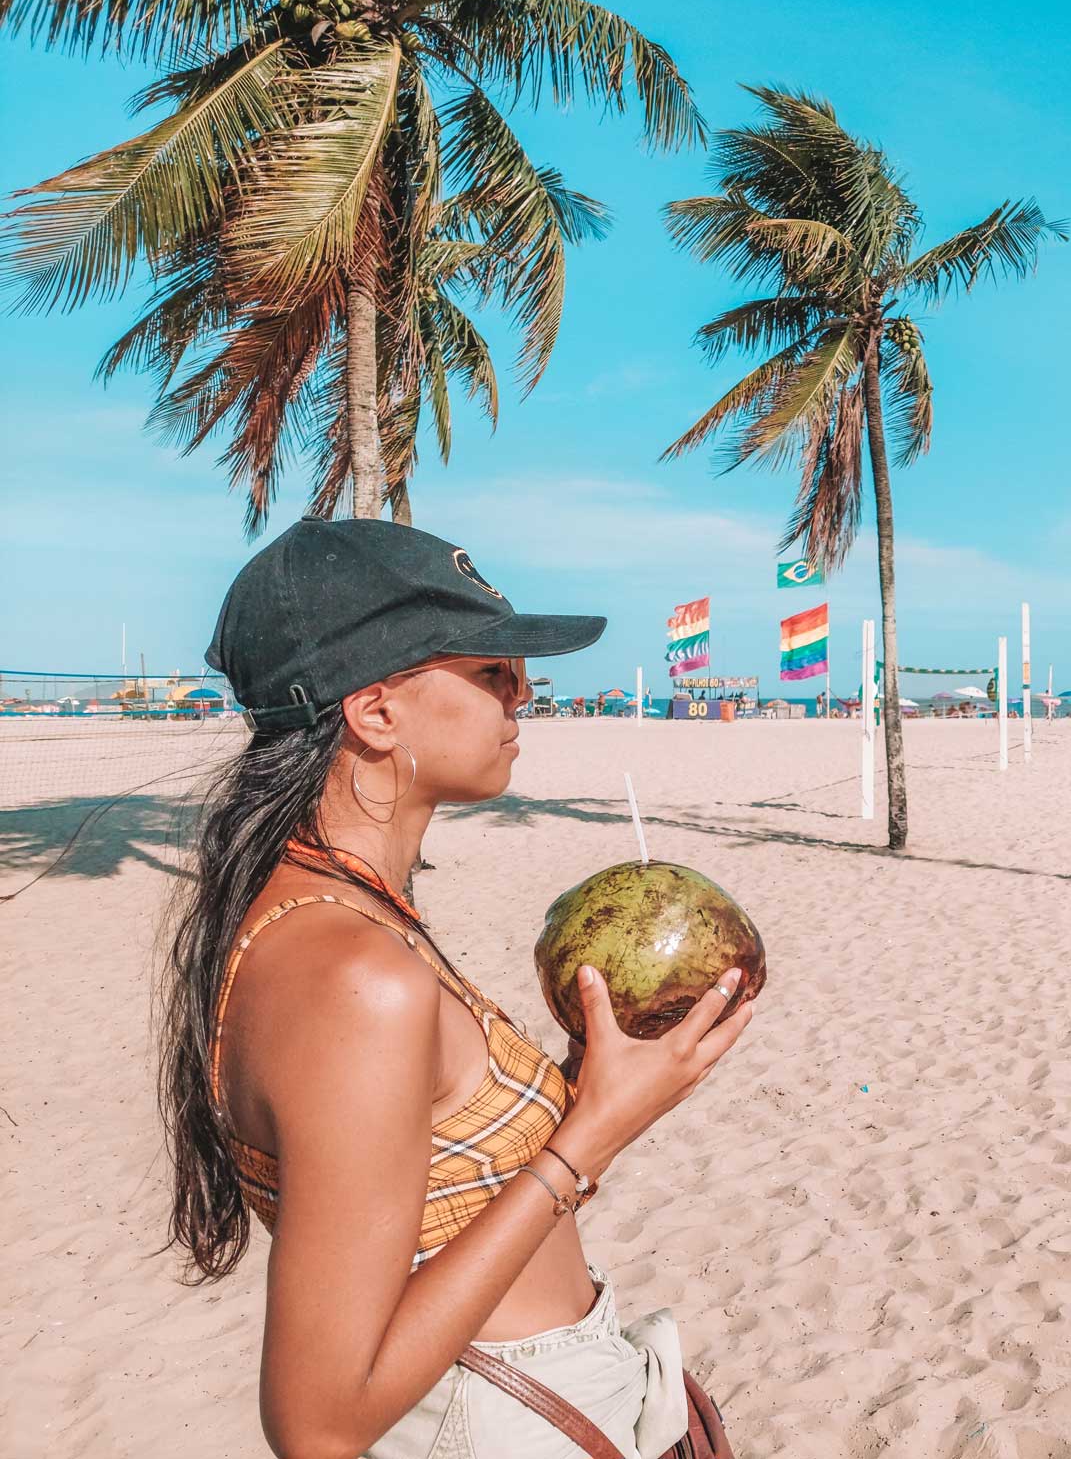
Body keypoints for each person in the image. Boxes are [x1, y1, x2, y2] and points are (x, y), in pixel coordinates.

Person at [158, 518, 752, 1459]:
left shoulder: (343, 909)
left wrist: (589, 1088)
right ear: (376, 711)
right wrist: (591, 1138)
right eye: (491, 673)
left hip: (524, 1395)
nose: (525, 692)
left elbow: (438, 1193)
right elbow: (317, 1424)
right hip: (490, 1423)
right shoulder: (353, 973)